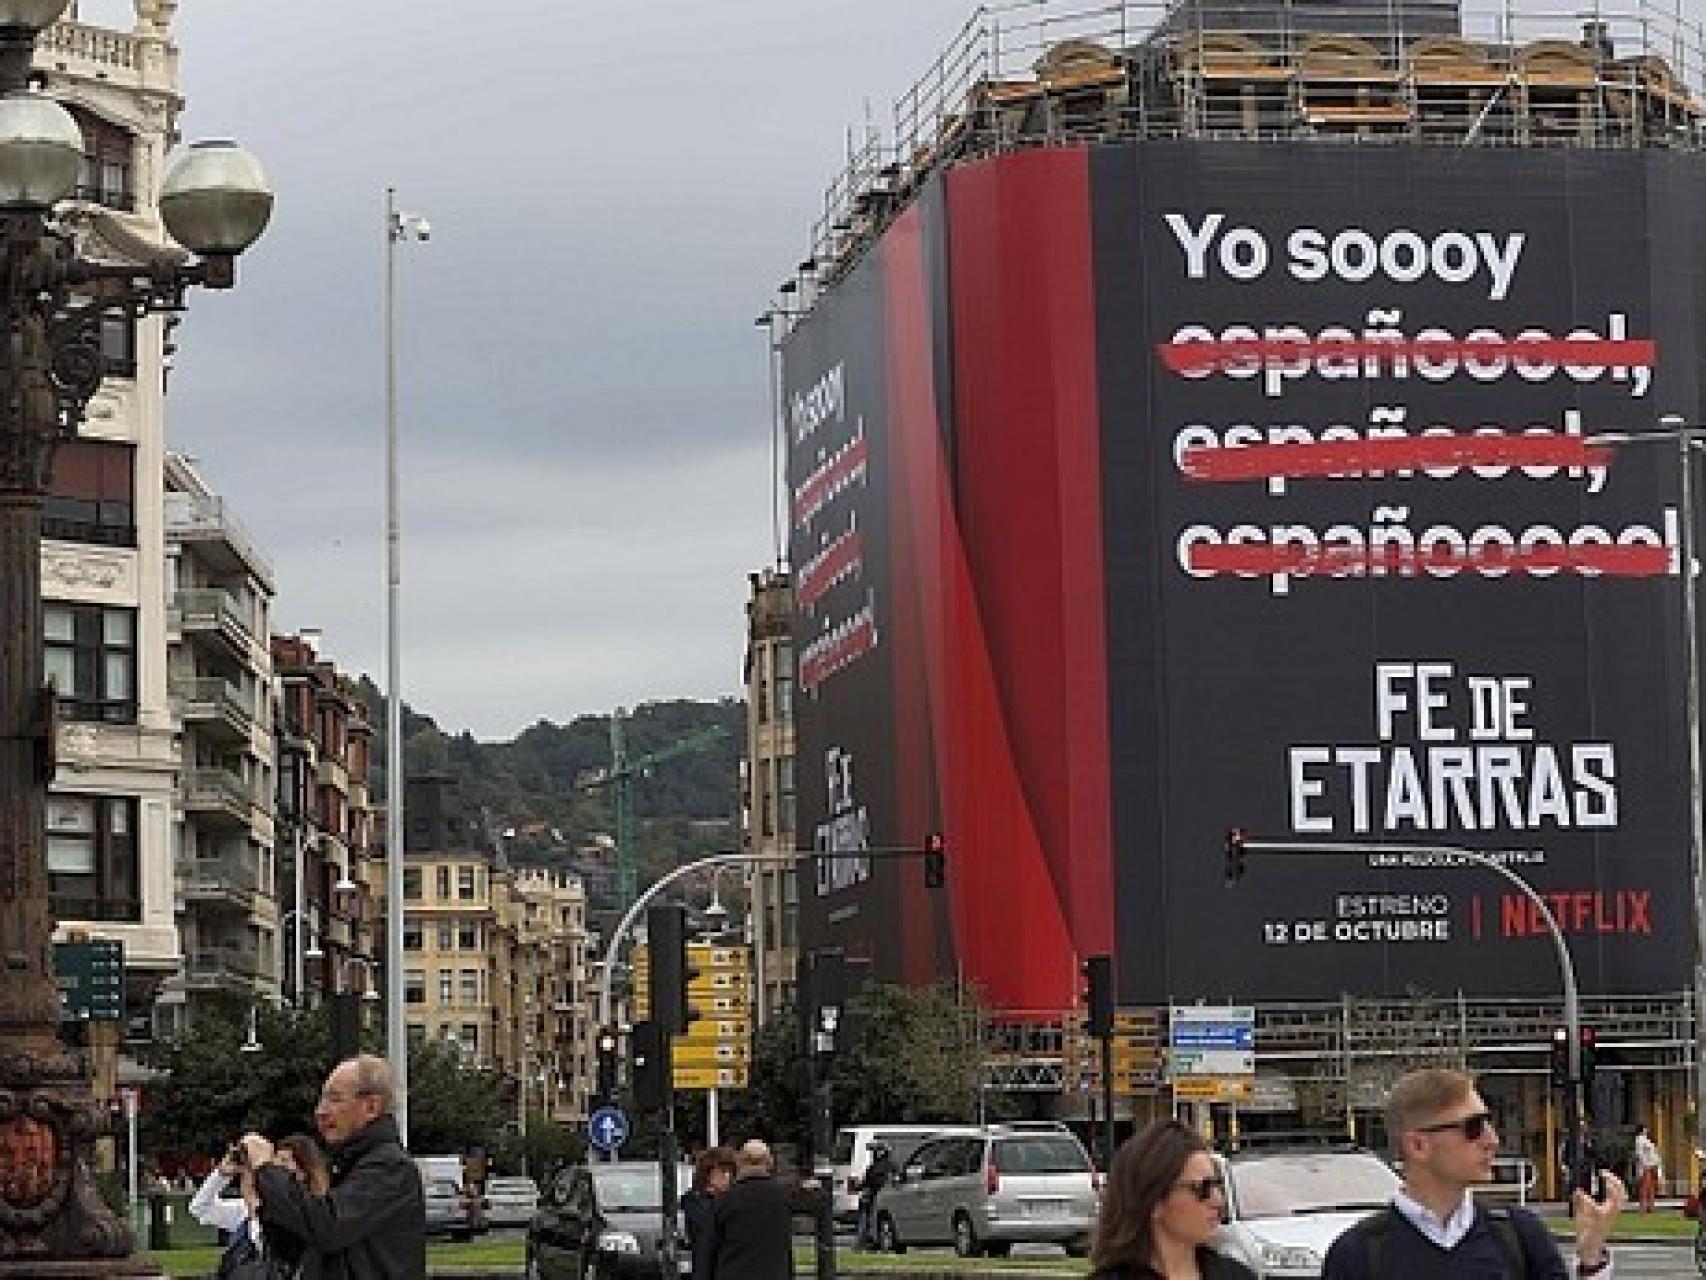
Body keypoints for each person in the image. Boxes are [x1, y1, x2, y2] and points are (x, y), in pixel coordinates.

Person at [1322, 1067, 1623, 1279]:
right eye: (1473, 1128)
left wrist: (1591, 1260)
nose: (1492, 1140)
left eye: (1490, 1124)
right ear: (1418, 1145)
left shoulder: (1518, 1235)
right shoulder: (1359, 1254)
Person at [238, 1053, 425, 1279]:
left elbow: (327, 1228)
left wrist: (267, 1170)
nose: (321, 1111)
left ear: (371, 1107)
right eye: (322, 1100)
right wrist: (262, 1198)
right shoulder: (344, 1164)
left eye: (335, 1099)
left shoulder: (390, 1168)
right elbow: (297, 1244)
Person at [1088, 1118, 1257, 1278]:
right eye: (1202, 1189)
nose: (1218, 1201)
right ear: (1154, 1201)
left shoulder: (1237, 1274)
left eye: (1217, 1185)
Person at [190, 1133, 329, 1278]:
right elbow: (200, 1208)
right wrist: (221, 1175)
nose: (276, 1166)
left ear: (303, 1171)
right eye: (275, 1160)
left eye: (284, 1161)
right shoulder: (245, 1211)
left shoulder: (309, 1213)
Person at [706, 1138, 823, 1279]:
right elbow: (817, 1204)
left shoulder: (725, 1199)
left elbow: (710, 1249)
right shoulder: (784, 1195)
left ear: (740, 1162)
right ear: (769, 1163)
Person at [680, 1145, 737, 1279]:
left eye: (731, 1172)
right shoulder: (695, 1200)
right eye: (722, 1171)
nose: (727, 1177)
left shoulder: (733, 1199)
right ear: (708, 1173)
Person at [853, 1142, 893, 1250]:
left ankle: (863, 1243)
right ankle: (867, 1242)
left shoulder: (880, 1166)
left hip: (876, 1196)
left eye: (875, 1151)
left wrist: (861, 1187)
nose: (873, 1154)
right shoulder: (883, 1165)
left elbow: (872, 1181)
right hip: (875, 1196)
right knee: (869, 1219)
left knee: (867, 1220)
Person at [1632, 1123, 1662, 1213]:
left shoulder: (1647, 1140)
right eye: (1645, 1129)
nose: (1646, 1130)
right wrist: (1644, 1165)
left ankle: (1651, 1206)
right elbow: (1639, 1154)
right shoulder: (1639, 1140)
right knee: (1645, 1187)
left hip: (1651, 1165)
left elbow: (1653, 1153)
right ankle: (1643, 1207)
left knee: (1651, 1187)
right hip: (1645, 1166)